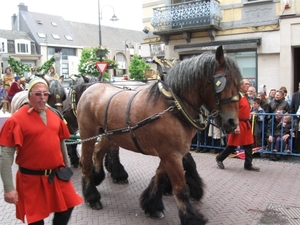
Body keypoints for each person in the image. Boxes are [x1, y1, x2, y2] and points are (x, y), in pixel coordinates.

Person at [0, 77, 83, 225]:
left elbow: (61, 143)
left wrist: (67, 170)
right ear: (29, 94)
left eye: (45, 94)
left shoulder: (55, 116)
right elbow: (5, 156)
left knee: (68, 207)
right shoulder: (16, 120)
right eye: (38, 94)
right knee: (36, 221)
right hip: (31, 180)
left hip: (56, 176)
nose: (42, 97)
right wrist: (9, 188)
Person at [216, 79, 260, 172]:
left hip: (246, 123)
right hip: (238, 123)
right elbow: (234, 112)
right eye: (246, 84)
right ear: (241, 86)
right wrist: (236, 125)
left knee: (248, 145)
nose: (248, 85)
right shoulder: (237, 97)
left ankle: (248, 164)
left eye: (249, 84)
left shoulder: (246, 96)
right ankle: (220, 158)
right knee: (232, 145)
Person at [289, 82, 300, 153]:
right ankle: (297, 149)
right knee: (297, 134)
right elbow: (292, 107)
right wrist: (293, 116)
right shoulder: (295, 95)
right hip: (297, 117)